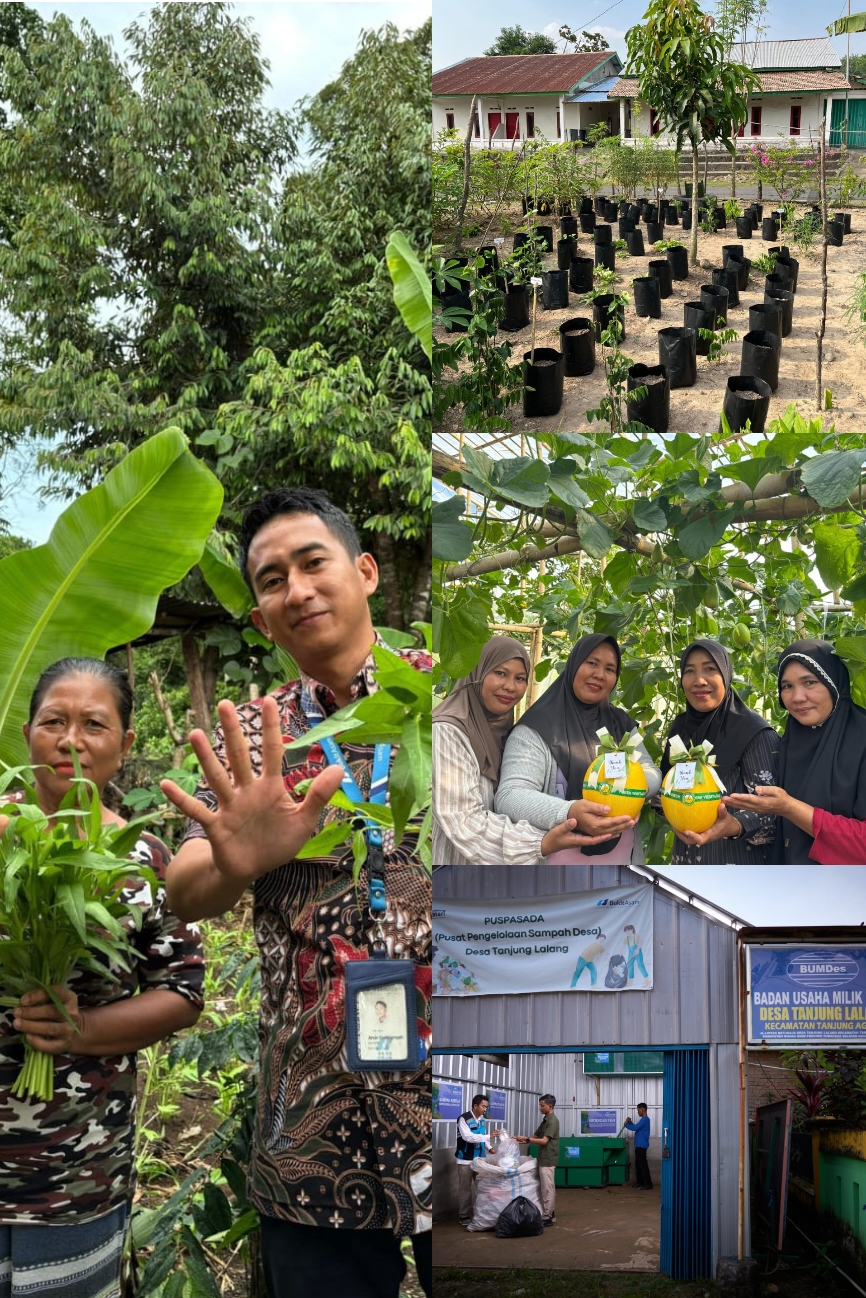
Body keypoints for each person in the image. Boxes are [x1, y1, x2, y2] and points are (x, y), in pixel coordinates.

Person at [162, 488, 432, 1298]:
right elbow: (184, 889)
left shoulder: (440, 693)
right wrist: (239, 858)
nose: (298, 588)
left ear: (365, 570)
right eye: (272, 578)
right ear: (261, 616)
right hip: (309, 1121)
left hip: (450, 1093)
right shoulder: (251, 738)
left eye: (313, 562)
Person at [0, 657, 204, 1298]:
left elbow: (182, 992)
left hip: (74, 1174)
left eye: (93, 723)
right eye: (52, 721)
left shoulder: (144, 856)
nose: (70, 740)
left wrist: (80, 1029)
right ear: (26, 733)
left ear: (125, 744)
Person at [432, 636, 617, 864]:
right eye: (500, 673)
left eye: (520, 678)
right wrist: (541, 843)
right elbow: (463, 820)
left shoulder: (497, 730)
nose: (510, 686)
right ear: (477, 673)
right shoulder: (447, 732)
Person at [495, 634, 662, 864]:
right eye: (591, 663)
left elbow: (650, 770)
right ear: (574, 664)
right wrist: (569, 811)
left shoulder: (621, 724)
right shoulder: (537, 728)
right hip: (556, 864)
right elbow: (510, 795)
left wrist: (634, 787)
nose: (599, 674)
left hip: (623, 861)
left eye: (610, 669)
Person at [724, 639, 866, 864]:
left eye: (809, 682)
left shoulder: (861, 740)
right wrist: (733, 825)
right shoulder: (790, 741)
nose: (797, 697)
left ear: (834, 684)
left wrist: (789, 808)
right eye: (787, 686)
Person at [660, 640, 778, 864]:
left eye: (710, 669)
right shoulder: (681, 729)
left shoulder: (754, 733)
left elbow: (774, 815)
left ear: (726, 674)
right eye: (689, 671)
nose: (699, 680)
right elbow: (666, 792)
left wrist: (733, 825)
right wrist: (675, 817)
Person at [515, 1095, 560, 1225]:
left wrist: (527, 1140)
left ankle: (547, 1217)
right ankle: (550, 1211)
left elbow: (544, 1140)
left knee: (548, 1189)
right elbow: (535, 1136)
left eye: (542, 1105)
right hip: (543, 1158)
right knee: (545, 1188)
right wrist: (518, 1140)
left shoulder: (552, 1121)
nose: (540, 1108)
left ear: (550, 1106)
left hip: (548, 1159)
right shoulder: (545, 1120)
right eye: (540, 1105)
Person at [455, 1095, 500, 1226]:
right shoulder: (463, 1119)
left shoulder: (482, 1120)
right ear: (475, 1106)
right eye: (483, 1106)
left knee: (483, 1187)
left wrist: (490, 1148)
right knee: (465, 1189)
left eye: (486, 1106)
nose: (485, 1109)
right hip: (465, 1160)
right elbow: (468, 1137)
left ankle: (482, 1213)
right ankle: (463, 1215)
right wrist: (489, 1136)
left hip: (480, 1160)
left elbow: (483, 1139)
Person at [624, 1104, 652, 1190]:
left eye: (638, 1110)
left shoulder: (645, 1119)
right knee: (638, 1165)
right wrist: (630, 1122)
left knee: (643, 1165)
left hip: (642, 1146)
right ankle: (640, 1182)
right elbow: (637, 1126)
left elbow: (635, 1128)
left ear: (643, 1109)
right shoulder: (643, 1120)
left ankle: (648, 1183)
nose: (638, 1112)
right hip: (639, 1146)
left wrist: (626, 1125)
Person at [623, 923, 650, 988]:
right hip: (630, 952)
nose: (627, 932)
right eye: (626, 931)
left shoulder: (636, 936)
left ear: (632, 930)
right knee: (629, 965)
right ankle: (631, 980)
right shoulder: (627, 938)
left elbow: (642, 941)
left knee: (640, 964)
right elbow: (622, 945)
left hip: (637, 951)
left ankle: (646, 979)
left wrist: (637, 949)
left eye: (628, 930)